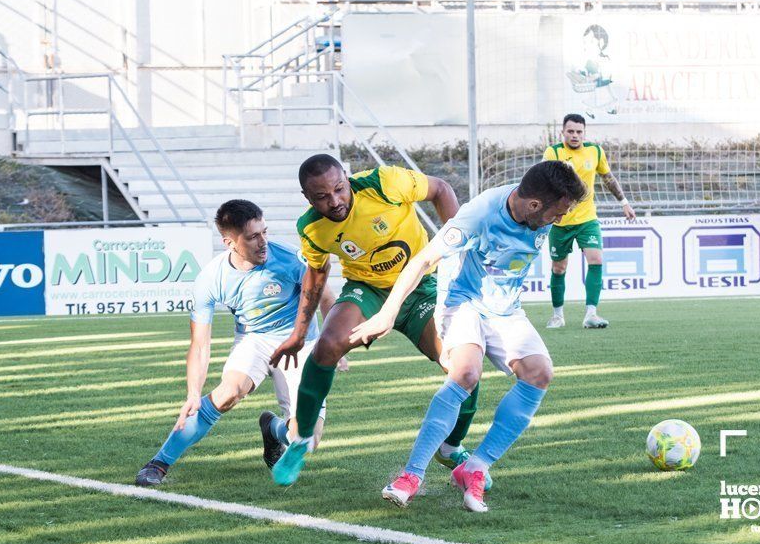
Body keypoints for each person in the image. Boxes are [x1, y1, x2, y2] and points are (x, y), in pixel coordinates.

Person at [351, 161, 587, 512]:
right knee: (465, 373)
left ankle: (474, 468)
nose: (560, 220)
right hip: (462, 302)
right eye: (558, 213)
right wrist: (386, 314)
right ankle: (411, 475)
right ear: (535, 205)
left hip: (504, 309)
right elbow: (422, 261)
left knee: (539, 373)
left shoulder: (535, 203)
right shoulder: (479, 215)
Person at [270, 155, 486, 488]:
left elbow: (441, 189)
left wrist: (459, 253)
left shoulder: (384, 183)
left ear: (346, 178)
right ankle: (299, 441)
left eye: (339, 189)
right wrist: (300, 333)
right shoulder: (311, 227)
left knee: (463, 366)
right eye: (322, 196)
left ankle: (451, 446)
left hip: (421, 287)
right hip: (368, 291)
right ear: (307, 197)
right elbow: (316, 272)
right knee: (327, 345)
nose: (335, 201)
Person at [135, 199, 343, 486]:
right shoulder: (211, 278)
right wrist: (193, 393)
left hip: (300, 342)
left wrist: (335, 342)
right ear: (229, 242)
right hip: (254, 340)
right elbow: (199, 343)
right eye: (253, 237)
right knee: (228, 392)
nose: (263, 242)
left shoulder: (290, 258)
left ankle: (273, 429)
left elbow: (327, 298)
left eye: (265, 232)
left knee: (306, 441)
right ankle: (158, 463)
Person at [543, 113, 635, 329]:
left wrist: (624, 202)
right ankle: (558, 316)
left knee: (596, 259)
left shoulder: (595, 151)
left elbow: (608, 177)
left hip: (587, 219)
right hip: (560, 221)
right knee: (559, 268)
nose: (575, 135)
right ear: (562, 132)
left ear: (584, 133)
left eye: (579, 132)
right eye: (570, 131)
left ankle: (591, 314)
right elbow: (543, 182)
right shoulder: (553, 152)